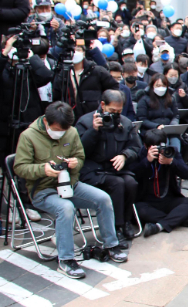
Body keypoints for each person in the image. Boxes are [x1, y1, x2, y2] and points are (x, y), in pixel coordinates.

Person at [14, 102, 128, 279]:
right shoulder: (28, 136)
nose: (61, 133)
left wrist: (75, 163)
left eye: (64, 130)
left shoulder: (71, 132)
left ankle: (111, 244)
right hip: (43, 190)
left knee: (103, 199)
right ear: (46, 122)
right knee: (65, 208)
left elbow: (80, 156)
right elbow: (20, 168)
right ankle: (66, 260)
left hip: (70, 184)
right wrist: (43, 169)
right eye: (58, 129)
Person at [75, 90, 142, 247]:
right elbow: (79, 151)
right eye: (112, 111)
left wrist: (125, 155)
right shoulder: (85, 121)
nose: (115, 114)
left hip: (115, 168)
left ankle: (126, 221)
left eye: (119, 111)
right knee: (117, 184)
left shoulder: (125, 123)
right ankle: (116, 227)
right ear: (103, 105)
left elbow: (136, 147)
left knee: (131, 183)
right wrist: (93, 131)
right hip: (93, 170)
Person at [129, 128, 188, 237]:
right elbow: (133, 177)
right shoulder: (139, 154)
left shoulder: (171, 152)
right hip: (147, 202)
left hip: (169, 199)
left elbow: (186, 174)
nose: (159, 150)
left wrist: (171, 162)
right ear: (146, 146)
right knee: (136, 210)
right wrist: (147, 161)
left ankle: (159, 226)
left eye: (161, 146)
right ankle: (180, 219)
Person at [52, 45, 119, 120]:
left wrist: (102, 106)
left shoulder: (97, 71)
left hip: (93, 116)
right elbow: (56, 96)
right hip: (70, 117)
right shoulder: (63, 74)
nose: (75, 52)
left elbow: (114, 88)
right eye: (72, 50)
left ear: (84, 53)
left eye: (78, 49)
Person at [136, 74, 181, 151]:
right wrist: (156, 126)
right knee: (163, 146)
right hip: (153, 131)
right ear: (152, 86)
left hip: (169, 130)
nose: (161, 88)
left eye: (163, 85)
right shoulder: (144, 100)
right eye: (158, 85)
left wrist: (173, 124)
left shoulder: (171, 99)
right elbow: (142, 119)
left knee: (175, 145)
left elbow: (176, 115)